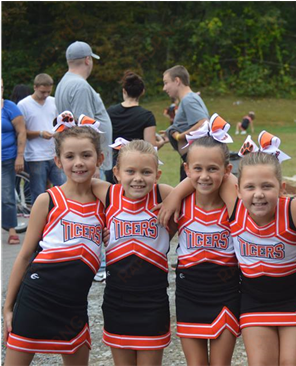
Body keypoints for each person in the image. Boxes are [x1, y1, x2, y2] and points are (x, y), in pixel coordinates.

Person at [159, 124, 296, 366]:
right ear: (239, 190)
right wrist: (176, 193)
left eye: (267, 187)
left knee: (291, 362)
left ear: (281, 189)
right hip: (254, 299)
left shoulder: (293, 208)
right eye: (250, 187)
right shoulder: (236, 206)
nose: (258, 194)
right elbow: (209, 176)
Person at [3, 121, 105, 366]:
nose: (78, 162)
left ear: (100, 159)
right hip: (36, 297)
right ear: (58, 161)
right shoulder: (47, 200)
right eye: (70, 156)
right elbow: (25, 255)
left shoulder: (106, 202)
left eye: (86, 155)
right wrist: (8, 307)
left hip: (74, 304)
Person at [91, 140, 173, 366]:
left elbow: (195, 190)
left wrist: (176, 196)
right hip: (117, 299)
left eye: (146, 172)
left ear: (157, 174)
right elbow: (78, 179)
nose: (138, 178)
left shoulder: (162, 194)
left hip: (153, 299)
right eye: (130, 171)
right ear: (116, 173)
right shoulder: (108, 193)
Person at [169, 118, 240, 366]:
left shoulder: (235, 203)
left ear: (227, 170)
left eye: (213, 169)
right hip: (189, 291)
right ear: (186, 169)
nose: (205, 176)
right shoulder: (178, 203)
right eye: (197, 169)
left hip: (226, 290)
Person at [55, 40, 113, 180]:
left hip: (78, 161)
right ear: (88, 60)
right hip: (88, 165)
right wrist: (94, 165)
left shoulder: (63, 83)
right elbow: (85, 128)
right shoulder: (80, 86)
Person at [106, 71, 165, 183]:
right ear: (142, 92)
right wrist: (161, 142)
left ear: (124, 91)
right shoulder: (146, 116)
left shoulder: (110, 112)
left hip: (114, 162)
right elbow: (151, 145)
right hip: (136, 163)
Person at [17, 73, 66, 205]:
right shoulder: (24, 105)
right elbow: (20, 131)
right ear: (35, 87)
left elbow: (60, 124)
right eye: (42, 92)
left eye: (48, 92)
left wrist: (59, 132)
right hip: (35, 156)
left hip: (54, 153)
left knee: (63, 188)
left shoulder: (54, 101)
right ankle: (39, 221)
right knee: (38, 193)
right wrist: (39, 133)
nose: (45, 95)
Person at [162, 65, 209, 181]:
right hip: (193, 160)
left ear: (177, 81)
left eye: (166, 83)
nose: (164, 88)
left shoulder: (188, 100)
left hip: (193, 161)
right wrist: (169, 135)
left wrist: (179, 136)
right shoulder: (191, 98)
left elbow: (203, 123)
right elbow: (193, 125)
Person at [1, 79, 27, 245]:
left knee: (7, 195)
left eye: (1, 87)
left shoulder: (10, 107)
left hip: (6, 158)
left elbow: (21, 131)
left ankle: (11, 230)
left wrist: (19, 155)